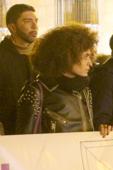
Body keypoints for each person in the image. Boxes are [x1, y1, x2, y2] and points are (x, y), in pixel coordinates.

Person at [16, 24, 96, 134]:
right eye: (86, 56)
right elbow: (25, 141)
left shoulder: (84, 91)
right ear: (67, 55)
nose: (90, 63)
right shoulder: (38, 91)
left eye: (91, 56)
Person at [0, 4, 37, 135]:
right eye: (28, 21)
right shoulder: (2, 55)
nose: (35, 26)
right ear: (12, 27)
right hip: (10, 131)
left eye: (36, 21)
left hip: (40, 129)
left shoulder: (44, 54)